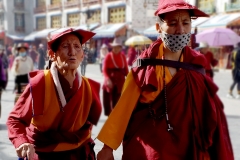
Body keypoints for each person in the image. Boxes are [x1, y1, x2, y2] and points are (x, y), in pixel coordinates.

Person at [97, 0, 234, 159]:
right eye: (173, 23)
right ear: (158, 28)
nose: (180, 30)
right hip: (154, 150)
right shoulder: (145, 66)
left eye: (185, 23)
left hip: (189, 146)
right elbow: (123, 108)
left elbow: (207, 108)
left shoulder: (196, 64)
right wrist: (108, 147)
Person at [6, 28, 102, 160]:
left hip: (77, 154)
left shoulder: (89, 86)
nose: (72, 52)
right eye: (65, 46)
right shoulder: (40, 83)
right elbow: (15, 119)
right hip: (43, 154)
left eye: (76, 47)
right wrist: (22, 142)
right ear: (52, 54)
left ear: (82, 55)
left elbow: (86, 128)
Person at [102, 38, 129, 116]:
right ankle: (110, 116)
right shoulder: (108, 56)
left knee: (118, 99)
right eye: (114, 47)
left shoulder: (123, 56)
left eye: (118, 47)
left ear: (120, 48)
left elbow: (126, 69)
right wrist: (107, 79)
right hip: (110, 79)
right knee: (108, 99)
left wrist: (130, 78)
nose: (116, 49)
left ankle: (116, 115)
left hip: (120, 80)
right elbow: (104, 69)